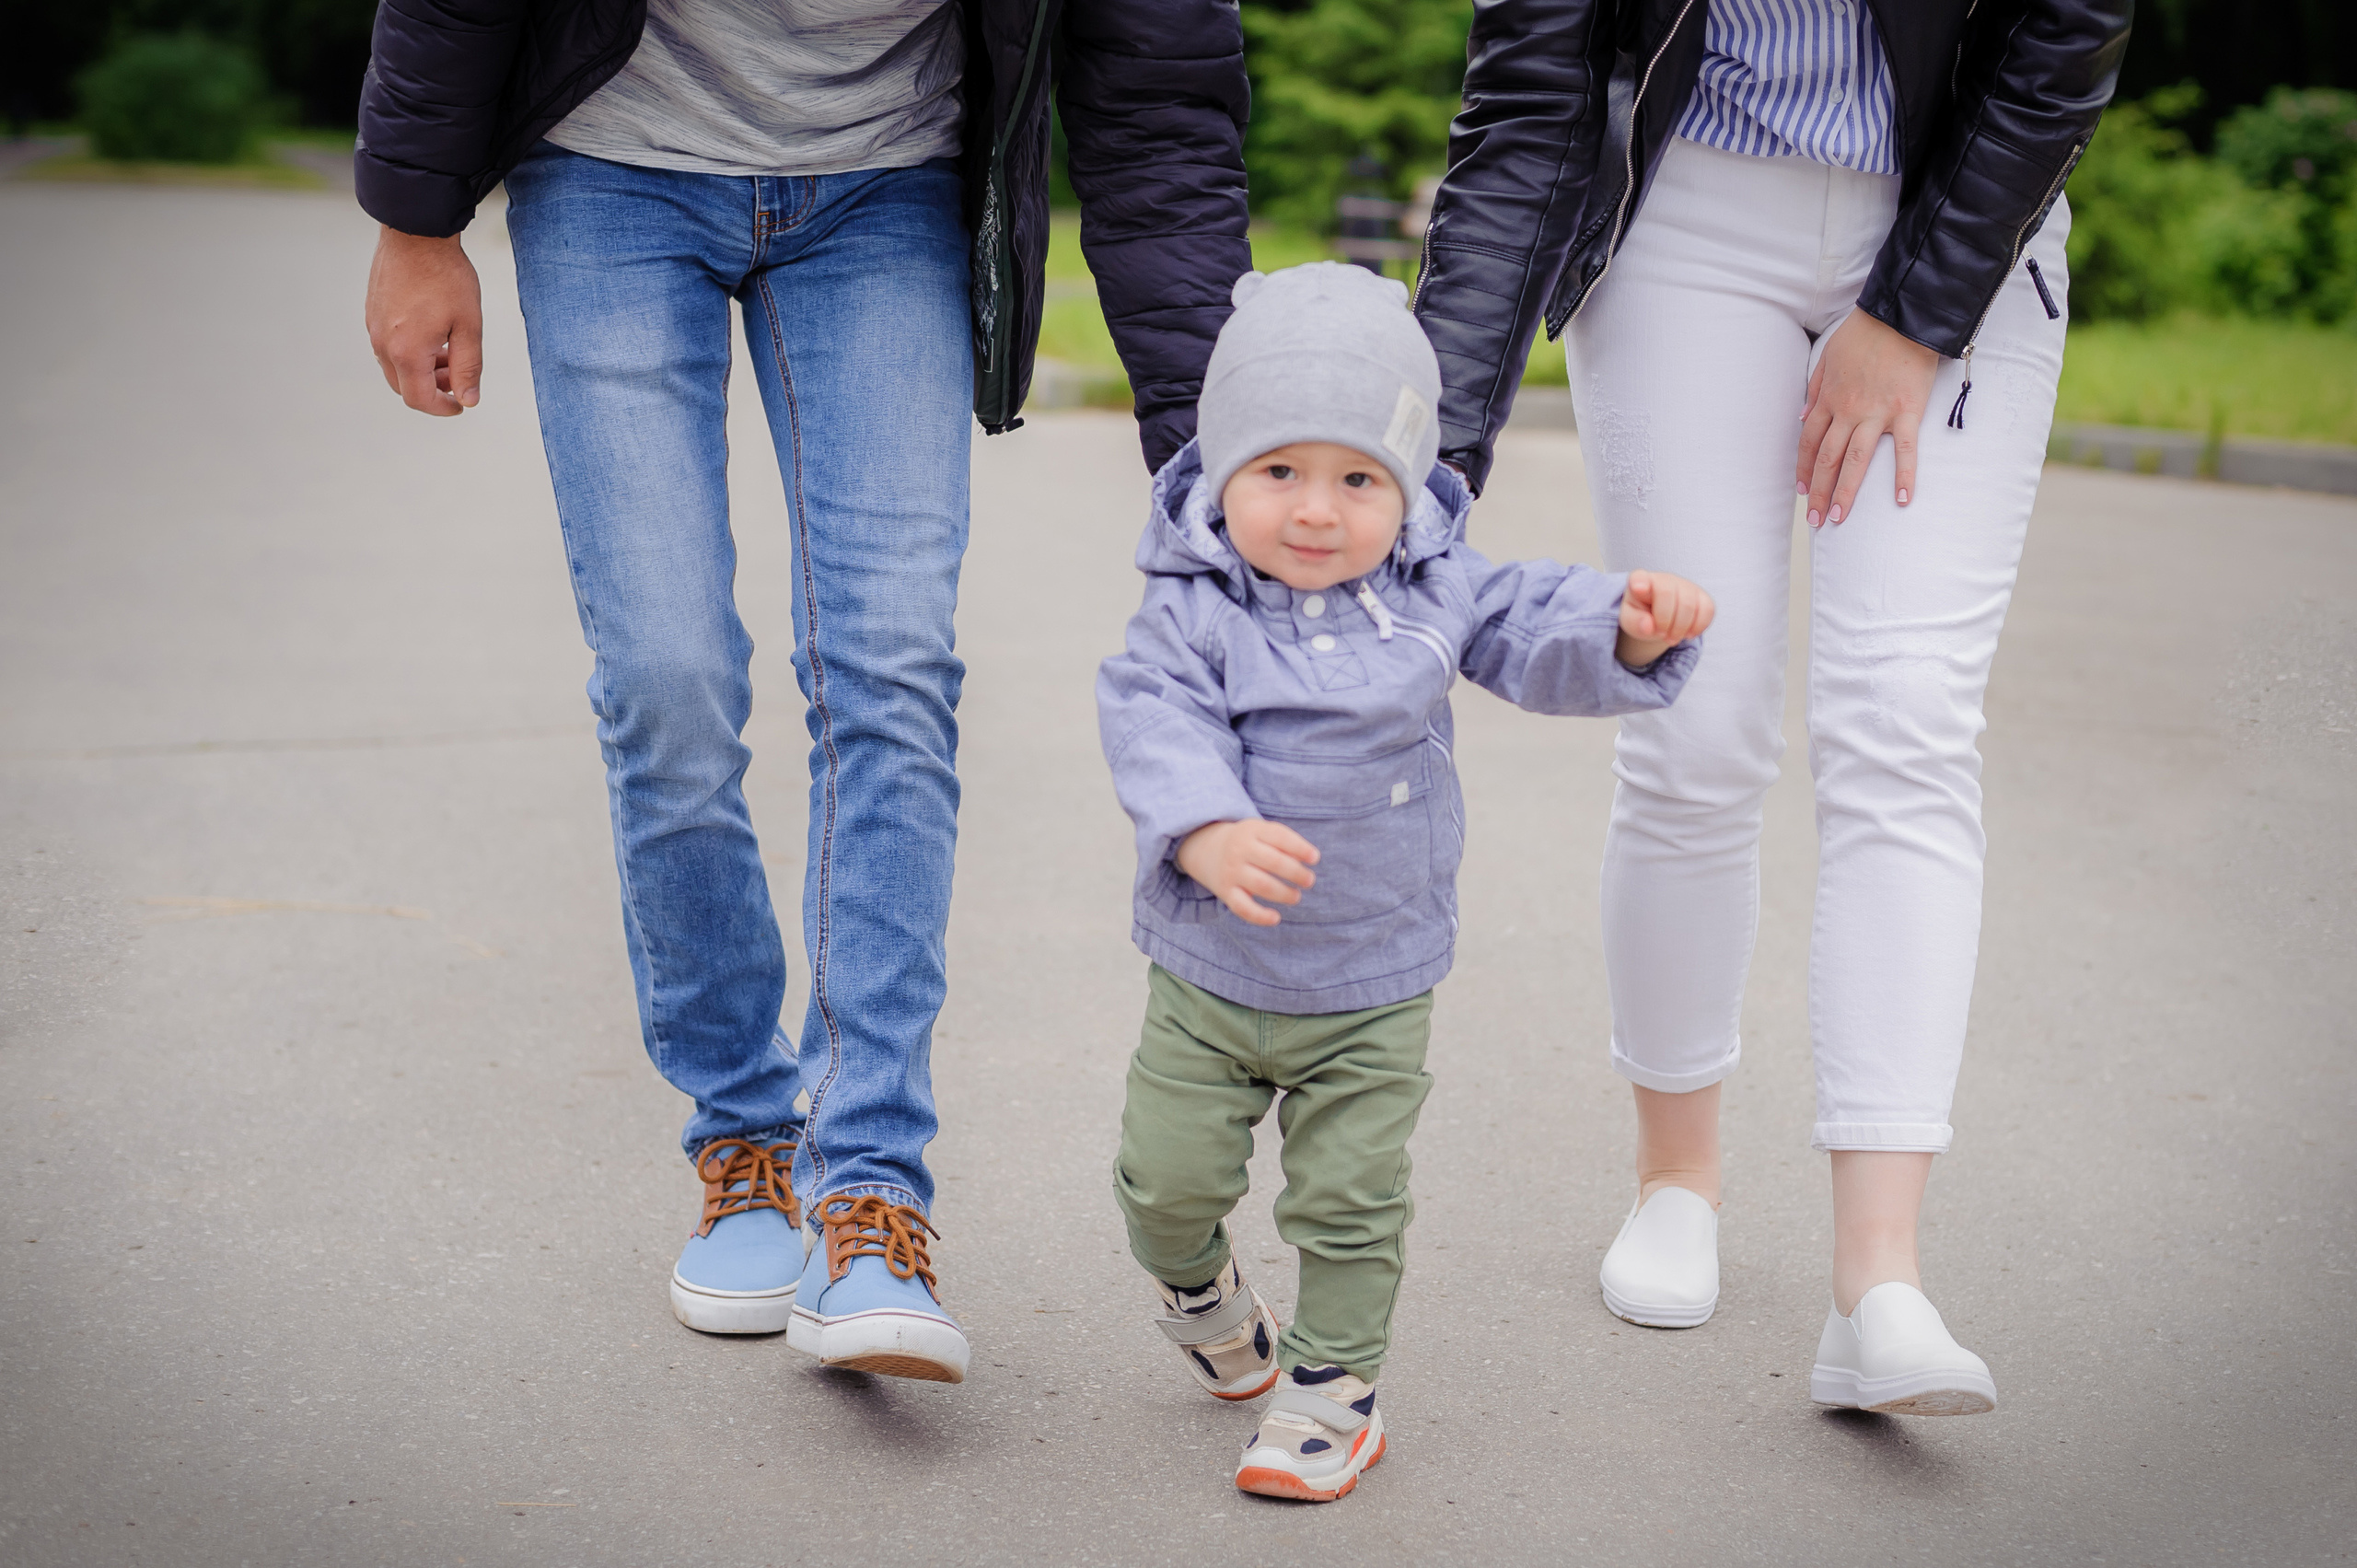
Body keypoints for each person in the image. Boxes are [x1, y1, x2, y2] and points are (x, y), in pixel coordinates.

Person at [355, 0, 1252, 1383]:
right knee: (667, 678)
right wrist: (416, 222)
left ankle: (871, 1192)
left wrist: (1208, 445)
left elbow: (1159, 89)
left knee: (892, 667)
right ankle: (744, 1145)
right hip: (610, 170)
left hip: (886, 187)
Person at [1411, 0, 2131, 1413]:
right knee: (1695, 716)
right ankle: (1676, 1179)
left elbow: (2066, 27)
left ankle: (1882, 1282)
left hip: (1960, 210)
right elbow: (1533, 85)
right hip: (1685, 219)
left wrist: (1914, 315)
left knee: (1906, 724)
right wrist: (1424, 471)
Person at [1096, 263, 1711, 1499]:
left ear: (1408, 484)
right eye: (1280, 472)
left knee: (1350, 1204)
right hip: (1210, 973)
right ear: (1222, 469)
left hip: (1372, 982)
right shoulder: (1195, 606)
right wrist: (1207, 827)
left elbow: (1536, 624)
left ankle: (1330, 1397)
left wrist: (1631, 627)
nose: (1317, 511)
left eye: (1358, 478)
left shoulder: (1436, 588)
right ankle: (1205, 1291)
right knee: (1163, 1186)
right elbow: (1151, 715)